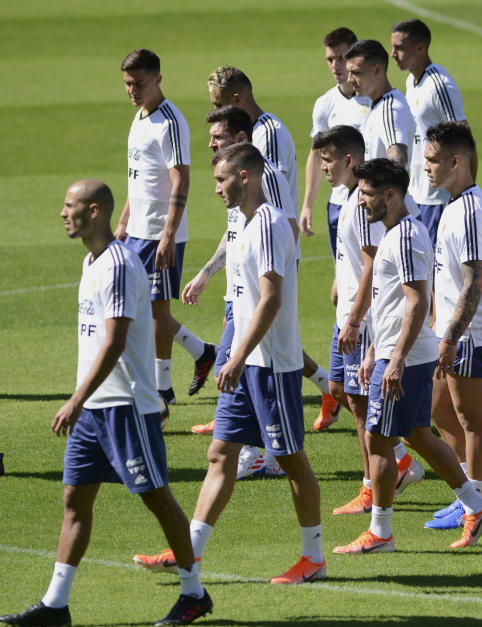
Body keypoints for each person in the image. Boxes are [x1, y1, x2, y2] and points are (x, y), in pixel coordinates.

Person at [0, 180, 212, 625]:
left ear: (93, 211)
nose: (62, 213)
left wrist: (75, 399)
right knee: (75, 499)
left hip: (126, 405)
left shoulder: (118, 264)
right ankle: (56, 605)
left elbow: (115, 342)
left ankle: (194, 593)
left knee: (157, 498)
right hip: (95, 409)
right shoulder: (91, 260)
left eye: (69, 205)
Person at [133, 144, 327, 585]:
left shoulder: (272, 225)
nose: (217, 189)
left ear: (245, 177)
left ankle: (313, 559)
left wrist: (238, 356)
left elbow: (272, 297)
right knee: (221, 453)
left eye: (222, 180)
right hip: (242, 362)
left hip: (270, 364)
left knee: (292, 459)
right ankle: (190, 553)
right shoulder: (240, 222)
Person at [333, 159, 482, 554]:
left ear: (391, 194)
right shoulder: (393, 233)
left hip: (405, 357)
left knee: (378, 440)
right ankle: (477, 506)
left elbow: (418, 301)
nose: (361, 203)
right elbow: (388, 304)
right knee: (418, 436)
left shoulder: (406, 236)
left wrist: (396, 359)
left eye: (368, 194)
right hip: (395, 352)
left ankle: (381, 533)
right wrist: (374, 352)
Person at [180, 106, 335, 478]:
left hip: (260, 287)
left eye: (218, 136)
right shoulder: (233, 186)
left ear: (240, 140)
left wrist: (257, 284)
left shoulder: (268, 181)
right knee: (243, 367)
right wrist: (208, 275)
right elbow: (235, 235)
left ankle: (261, 450)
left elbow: (284, 232)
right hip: (240, 290)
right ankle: (324, 392)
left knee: (238, 364)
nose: (211, 142)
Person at [312, 127, 425, 516]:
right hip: (346, 310)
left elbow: (373, 263)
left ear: (347, 161)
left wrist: (357, 319)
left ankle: (374, 483)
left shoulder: (364, 205)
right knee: (341, 390)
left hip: (356, 318)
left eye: (327, 160)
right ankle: (398, 462)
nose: (322, 167)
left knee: (360, 403)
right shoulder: (349, 199)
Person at [114, 49, 215, 410]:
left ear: (158, 78)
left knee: (156, 312)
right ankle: (202, 352)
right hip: (138, 231)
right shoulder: (139, 118)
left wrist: (169, 234)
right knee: (144, 309)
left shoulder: (170, 122)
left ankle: (162, 391)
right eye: (127, 84)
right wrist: (124, 223)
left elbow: (181, 179)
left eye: (138, 83)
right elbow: (138, 178)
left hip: (160, 232)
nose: (132, 90)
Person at [421, 122, 482, 530]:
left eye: (433, 160)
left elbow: (474, 282)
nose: (426, 169)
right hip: (450, 330)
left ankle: (480, 502)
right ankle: (472, 492)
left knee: (472, 418)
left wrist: (450, 334)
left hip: (469, 334)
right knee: (438, 409)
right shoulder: (455, 203)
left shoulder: (468, 211)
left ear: (457, 160)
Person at [390, 18, 467, 245]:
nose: (393, 54)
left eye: (399, 48)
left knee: (436, 273)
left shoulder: (440, 85)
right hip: (416, 194)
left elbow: (464, 138)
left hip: (438, 197)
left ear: (420, 47)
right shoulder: (411, 82)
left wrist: (462, 193)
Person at [300, 27, 369, 257]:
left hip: (369, 202)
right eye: (330, 59)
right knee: (343, 277)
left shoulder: (374, 101)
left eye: (341, 58)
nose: (335, 65)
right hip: (337, 205)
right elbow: (317, 154)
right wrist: (308, 204)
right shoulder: (324, 104)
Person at [207, 66, 298, 207]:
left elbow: (273, 194)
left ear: (236, 99)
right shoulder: (243, 130)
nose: (215, 111)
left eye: (218, 105)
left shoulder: (269, 133)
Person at [344, 39, 415, 167]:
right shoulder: (380, 104)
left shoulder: (389, 109)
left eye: (356, 73)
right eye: (349, 73)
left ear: (377, 70)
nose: (349, 79)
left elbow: (399, 158)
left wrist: (382, 186)